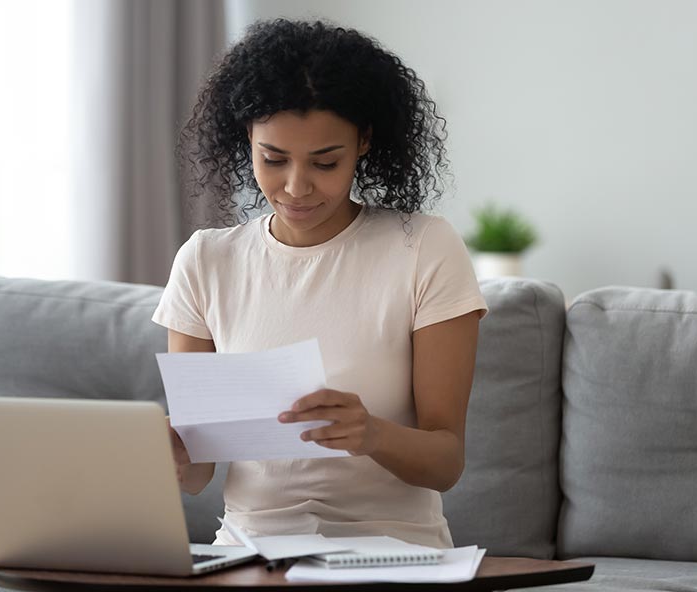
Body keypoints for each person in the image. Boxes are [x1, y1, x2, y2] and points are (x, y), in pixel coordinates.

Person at [151, 18, 488, 549]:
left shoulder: (423, 248)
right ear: (247, 140)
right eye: (274, 159)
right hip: (249, 552)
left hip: (392, 551)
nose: (296, 187)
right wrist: (173, 453)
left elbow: (446, 462)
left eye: (325, 162)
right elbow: (197, 475)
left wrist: (371, 434)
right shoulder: (205, 260)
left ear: (364, 143)